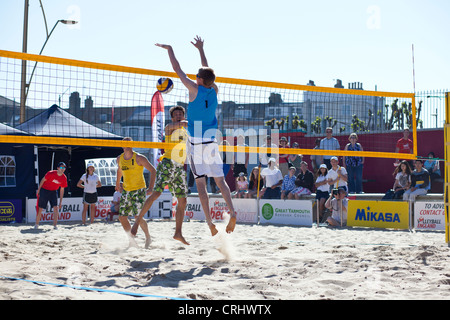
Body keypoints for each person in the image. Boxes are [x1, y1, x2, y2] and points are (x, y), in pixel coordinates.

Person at [156, 36, 236, 235]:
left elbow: (178, 70)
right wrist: (200, 49)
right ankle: (233, 211)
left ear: (200, 80)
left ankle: (209, 223)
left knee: (200, 185)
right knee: (220, 181)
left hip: (196, 145)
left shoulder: (193, 89)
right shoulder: (214, 90)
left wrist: (169, 49)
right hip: (212, 141)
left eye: (198, 75)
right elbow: (207, 71)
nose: (196, 76)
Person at [130, 106, 190, 245]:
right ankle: (137, 223)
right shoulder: (169, 127)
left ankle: (178, 232)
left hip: (179, 167)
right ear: (172, 117)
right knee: (156, 194)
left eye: (181, 114)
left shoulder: (185, 132)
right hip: (168, 163)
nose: (179, 116)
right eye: (176, 114)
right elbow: (183, 123)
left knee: (183, 201)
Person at [115, 137, 156, 248]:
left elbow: (153, 171)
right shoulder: (119, 159)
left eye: (128, 143)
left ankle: (148, 237)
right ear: (122, 145)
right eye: (124, 143)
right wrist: (117, 183)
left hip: (139, 190)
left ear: (132, 145)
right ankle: (131, 241)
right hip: (127, 190)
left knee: (137, 216)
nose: (126, 145)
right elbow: (119, 171)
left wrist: (151, 187)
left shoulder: (139, 158)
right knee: (122, 217)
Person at [35, 162, 68, 230]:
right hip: (45, 190)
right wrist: (39, 189)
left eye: (64, 167)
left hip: (53, 192)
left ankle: (55, 225)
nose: (63, 169)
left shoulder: (64, 178)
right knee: (40, 208)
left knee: (56, 208)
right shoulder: (50, 173)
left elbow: (62, 190)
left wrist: (61, 202)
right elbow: (43, 180)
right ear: (58, 168)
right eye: (61, 167)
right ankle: (36, 224)